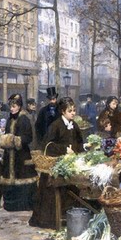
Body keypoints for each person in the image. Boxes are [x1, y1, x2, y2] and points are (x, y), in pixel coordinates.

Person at [29, 97, 84, 229]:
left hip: (70, 163)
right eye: (70, 111)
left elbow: (79, 142)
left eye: (74, 110)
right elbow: (47, 145)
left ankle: (70, 215)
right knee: (53, 191)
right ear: (62, 112)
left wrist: (83, 149)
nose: (73, 113)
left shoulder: (74, 124)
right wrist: (64, 149)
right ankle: (50, 220)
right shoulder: (55, 125)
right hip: (54, 164)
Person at [0, 94, 37, 211]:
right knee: (9, 179)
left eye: (14, 106)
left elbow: (28, 137)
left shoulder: (24, 119)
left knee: (22, 178)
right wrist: (5, 140)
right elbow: (7, 134)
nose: (11, 108)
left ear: (19, 107)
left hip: (21, 155)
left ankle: (24, 205)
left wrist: (15, 140)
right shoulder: (10, 119)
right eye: (10, 106)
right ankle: (11, 205)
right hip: (9, 154)